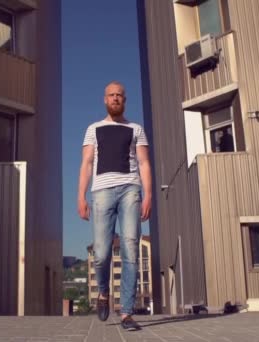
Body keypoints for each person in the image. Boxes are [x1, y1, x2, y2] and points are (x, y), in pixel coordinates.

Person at [77, 81, 152, 331]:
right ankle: (103, 292)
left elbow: (143, 163)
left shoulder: (136, 129)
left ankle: (127, 313)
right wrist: (81, 196)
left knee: (131, 248)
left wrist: (148, 195)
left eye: (120, 95)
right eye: (111, 95)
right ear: (105, 99)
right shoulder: (93, 129)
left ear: (125, 100)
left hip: (131, 189)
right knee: (101, 253)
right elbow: (87, 163)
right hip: (101, 193)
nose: (116, 98)